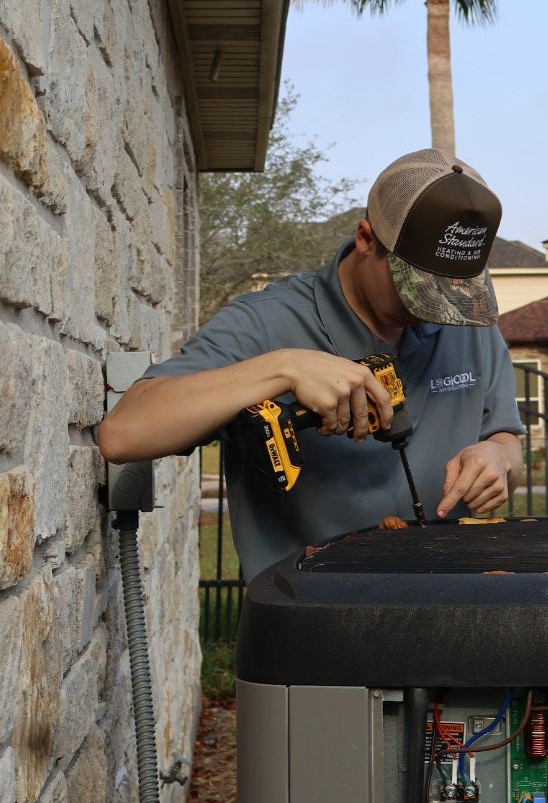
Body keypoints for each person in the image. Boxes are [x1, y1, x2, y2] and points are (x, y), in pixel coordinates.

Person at [97, 149, 525, 579]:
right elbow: (123, 435)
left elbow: (506, 439)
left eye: (449, 293)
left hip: (457, 602)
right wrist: (282, 368)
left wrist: (499, 457)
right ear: (366, 239)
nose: (434, 312)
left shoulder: (466, 318)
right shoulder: (264, 324)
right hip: (311, 618)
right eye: (418, 289)